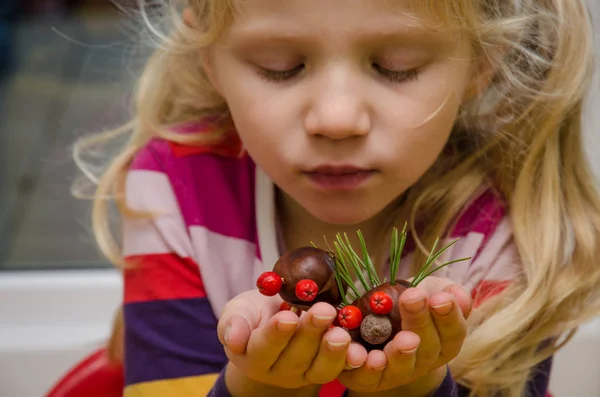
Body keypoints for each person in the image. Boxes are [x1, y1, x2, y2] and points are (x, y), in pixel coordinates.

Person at [73, 0, 600, 396]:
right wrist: (258, 388)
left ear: (481, 64)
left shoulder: (509, 221)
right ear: (208, 57)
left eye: (397, 64)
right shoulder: (178, 189)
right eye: (281, 65)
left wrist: (414, 388)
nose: (337, 118)